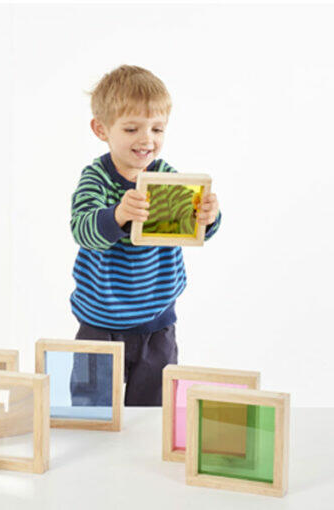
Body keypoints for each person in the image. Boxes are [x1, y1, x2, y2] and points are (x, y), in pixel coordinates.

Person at [69, 65, 221, 407]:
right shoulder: (96, 178)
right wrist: (118, 215)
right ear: (101, 129)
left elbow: (191, 228)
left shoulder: (166, 176)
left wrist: (208, 218)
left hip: (157, 321)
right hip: (99, 322)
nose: (147, 140)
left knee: (154, 409)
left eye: (157, 129)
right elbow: (82, 228)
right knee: (92, 408)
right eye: (131, 129)